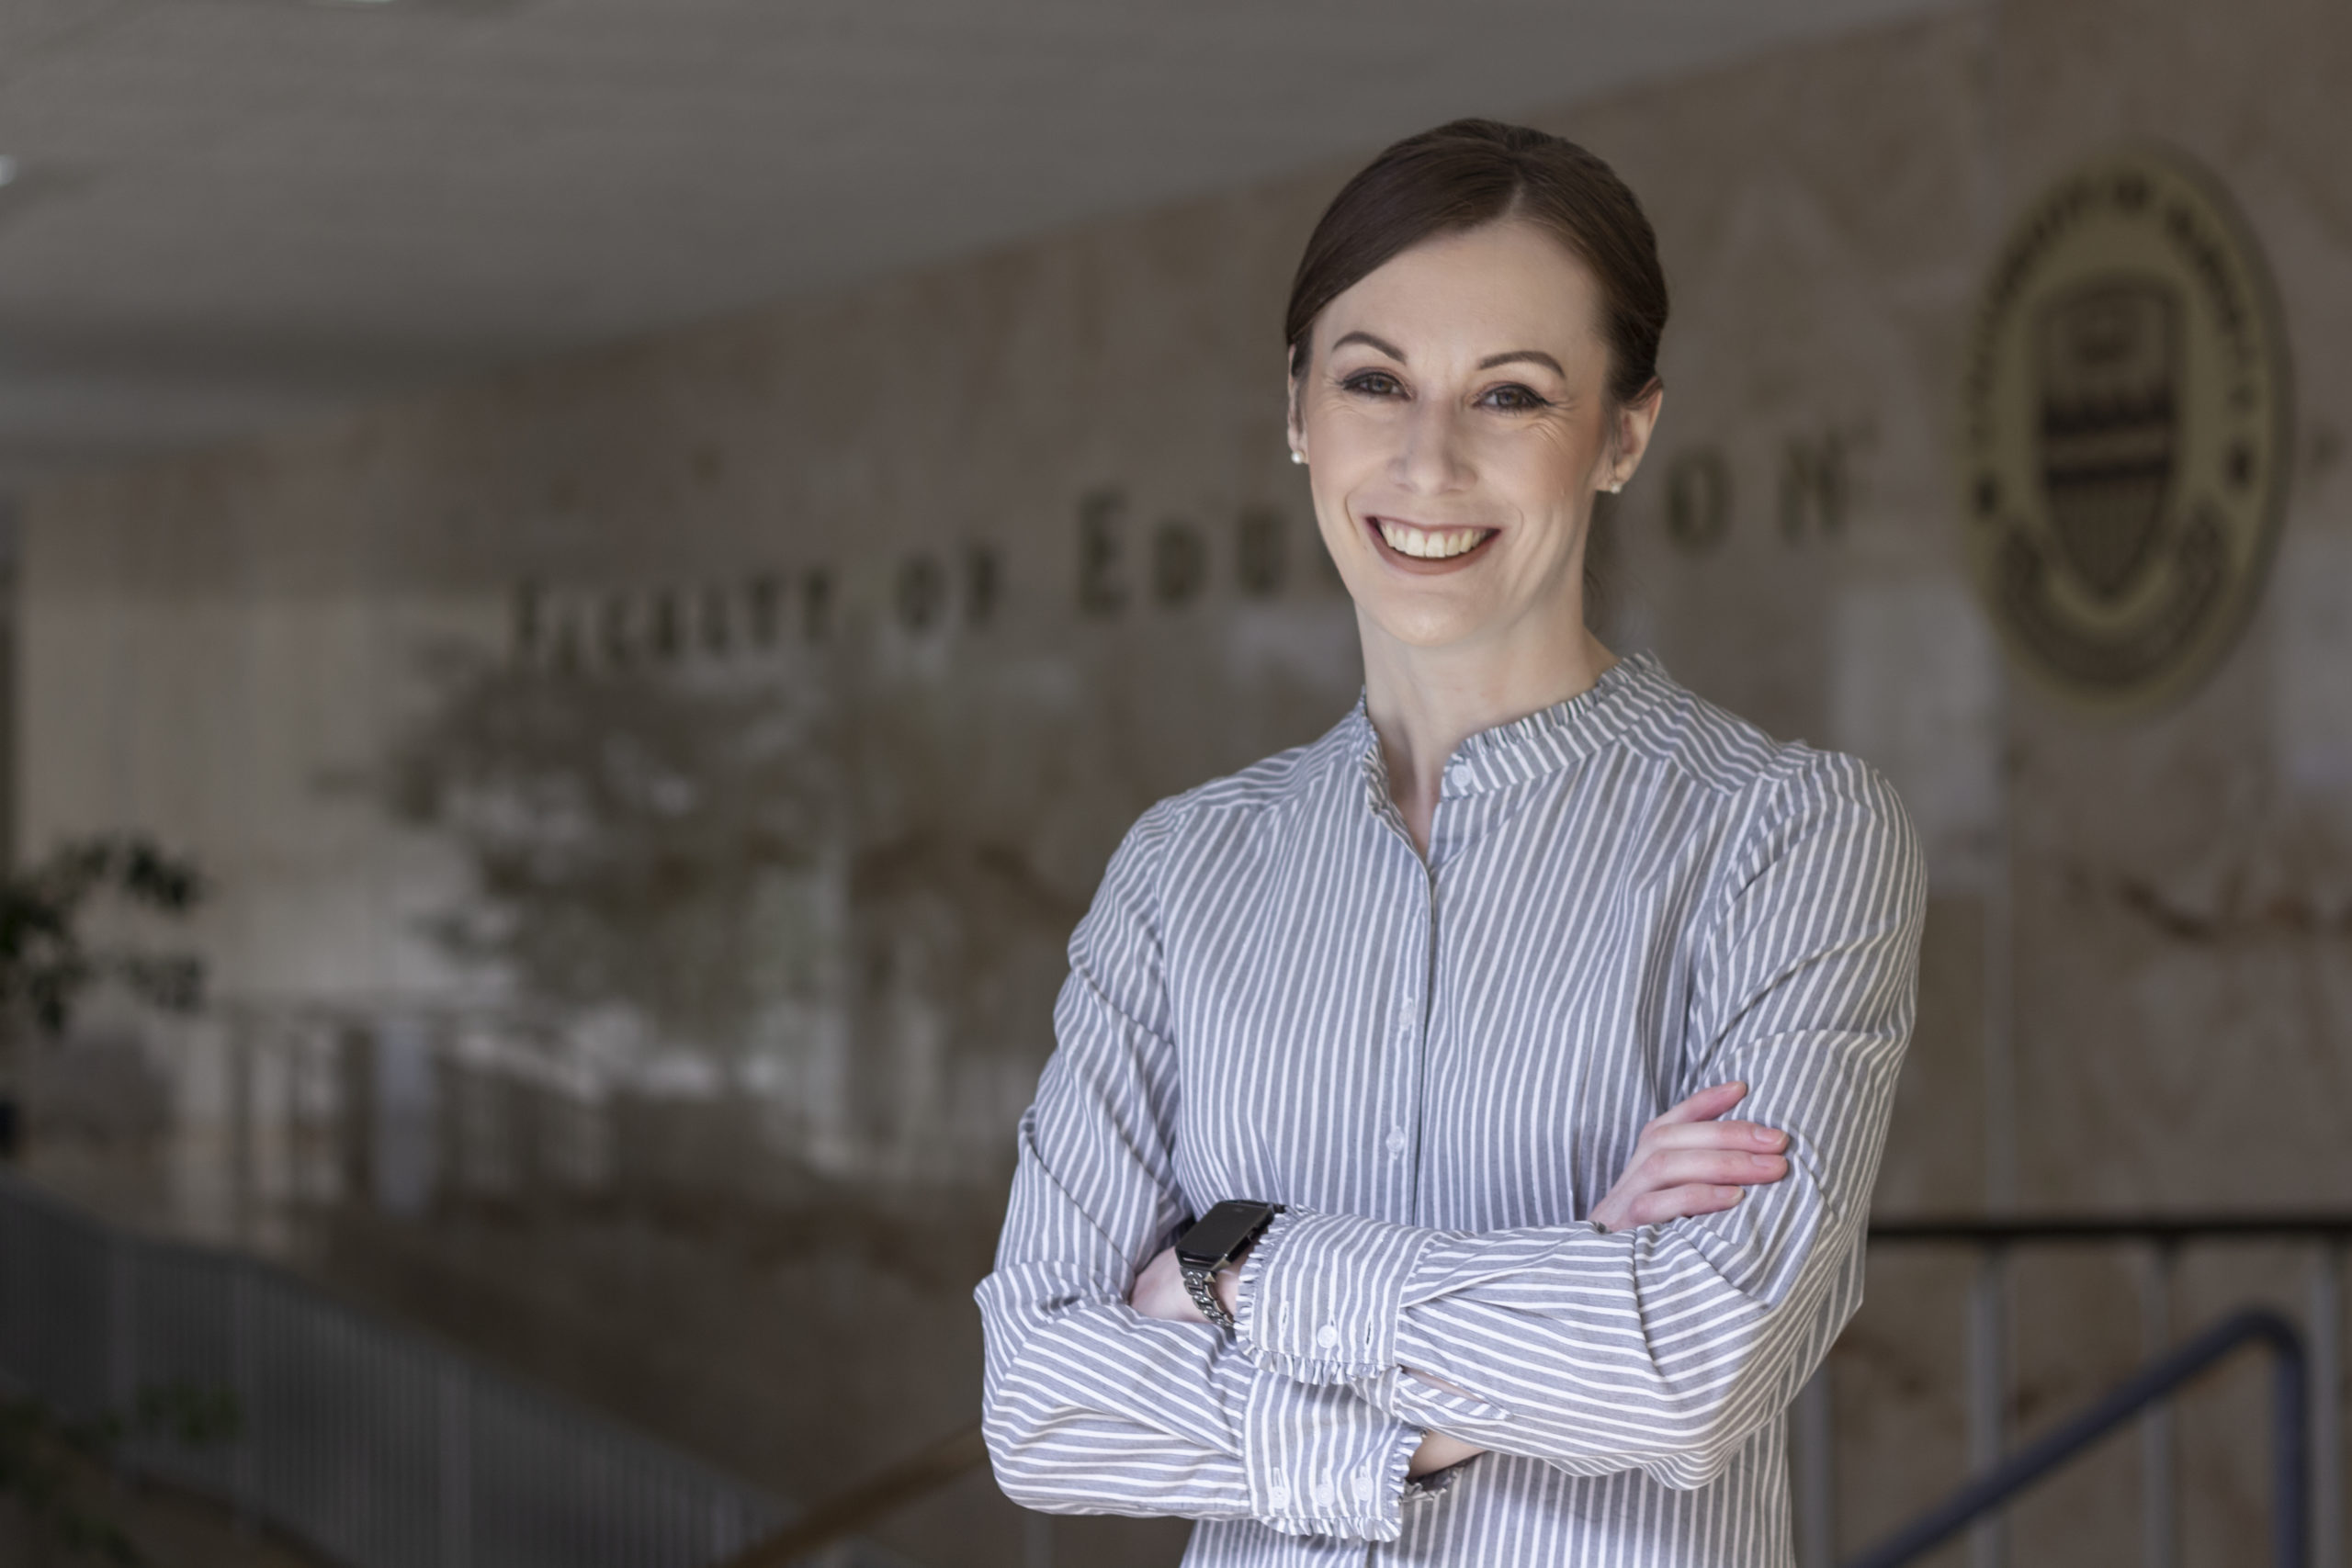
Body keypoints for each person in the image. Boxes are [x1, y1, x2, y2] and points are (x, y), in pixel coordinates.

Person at [975, 118, 1925, 1566]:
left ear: (1624, 433)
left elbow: (1689, 1372)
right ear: (1296, 408)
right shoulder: (1179, 879)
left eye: (1513, 396)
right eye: (1373, 380)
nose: (1428, 461)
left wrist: (1240, 1263)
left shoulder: (1785, 838)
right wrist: (1570, 1288)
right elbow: (1041, 1405)